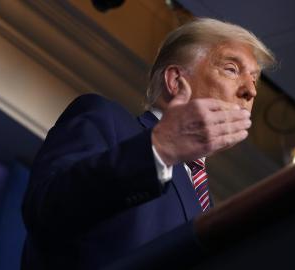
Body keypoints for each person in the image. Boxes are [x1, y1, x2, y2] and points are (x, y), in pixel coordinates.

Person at [21, 18, 275, 269]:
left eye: (254, 80)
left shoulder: (209, 205)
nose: (250, 92)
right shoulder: (106, 120)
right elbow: (46, 208)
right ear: (175, 81)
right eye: (231, 69)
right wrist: (160, 149)